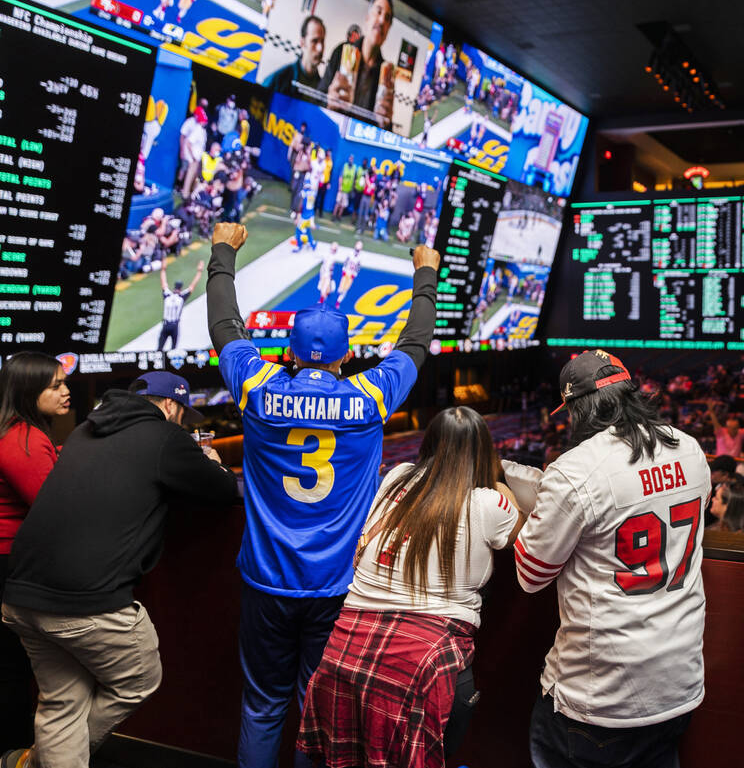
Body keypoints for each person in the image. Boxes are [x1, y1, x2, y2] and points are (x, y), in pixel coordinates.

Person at [204, 222, 441, 768]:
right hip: (335, 585)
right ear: (343, 357)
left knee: (263, 706)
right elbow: (415, 342)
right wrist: (425, 271)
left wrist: (223, 250)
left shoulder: (258, 386)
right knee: (319, 711)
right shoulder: (370, 396)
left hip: (266, 580)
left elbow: (223, 323)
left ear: (288, 351)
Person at [1, 371, 238, 768]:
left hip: (19, 596)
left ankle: (33, 762)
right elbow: (224, 491)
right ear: (170, 406)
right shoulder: (166, 437)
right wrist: (212, 462)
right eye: (182, 414)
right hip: (87, 602)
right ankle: (43, 759)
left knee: (62, 703)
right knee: (139, 679)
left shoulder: (82, 432)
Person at [510, 350, 710, 768]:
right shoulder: (690, 449)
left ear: (577, 409)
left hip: (601, 697)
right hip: (680, 683)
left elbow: (531, 575)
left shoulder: (576, 469)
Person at [297, 407, 525, 767]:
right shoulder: (489, 502)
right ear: (484, 451)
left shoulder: (398, 476)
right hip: (421, 669)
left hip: (342, 656)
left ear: (429, 443)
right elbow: (520, 534)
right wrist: (496, 481)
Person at [0, 353, 68, 750]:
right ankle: (15, 753)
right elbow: (53, 510)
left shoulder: (22, 431)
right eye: (54, 385)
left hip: (13, 561)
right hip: (11, 564)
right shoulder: (21, 438)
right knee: (13, 670)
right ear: (29, 391)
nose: (65, 390)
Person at [318, 0, 395, 127]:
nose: (382, 20)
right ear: (367, 17)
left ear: (388, 29)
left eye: (387, 18)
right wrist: (328, 103)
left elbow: (384, 128)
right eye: (378, 12)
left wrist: (386, 123)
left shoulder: (386, 75)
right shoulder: (341, 52)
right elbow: (317, 100)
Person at [264, 15, 325, 96]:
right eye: (314, 41)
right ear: (302, 43)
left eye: (322, 41)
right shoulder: (280, 78)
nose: (320, 48)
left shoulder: (322, 89)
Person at [157, 258, 204, 352]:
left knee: (159, 350)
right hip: (174, 326)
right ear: (181, 287)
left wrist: (163, 269)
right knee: (173, 350)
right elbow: (192, 285)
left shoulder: (167, 295)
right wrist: (199, 271)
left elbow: (163, 282)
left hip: (166, 324)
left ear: (174, 287)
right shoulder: (181, 297)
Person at [336, 241, 362, 310]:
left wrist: (354, 274)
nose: (357, 251)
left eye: (358, 250)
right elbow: (345, 262)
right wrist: (344, 270)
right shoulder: (350, 254)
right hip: (347, 272)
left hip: (351, 274)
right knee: (340, 288)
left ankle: (338, 302)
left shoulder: (360, 258)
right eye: (357, 249)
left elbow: (358, 267)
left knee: (345, 290)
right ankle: (338, 295)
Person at [333, 155, 355, 223]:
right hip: (342, 188)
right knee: (338, 203)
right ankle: (334, 216)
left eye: (352, 159)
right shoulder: (345, 166)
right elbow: (341, 177)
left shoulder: (354, 168)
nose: (351, 160)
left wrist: (351, 189)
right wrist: (340, 186)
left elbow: (353, 179)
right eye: (350, 158)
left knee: (343, 205)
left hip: (347, 190)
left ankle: (339, 216)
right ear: (348, 159)